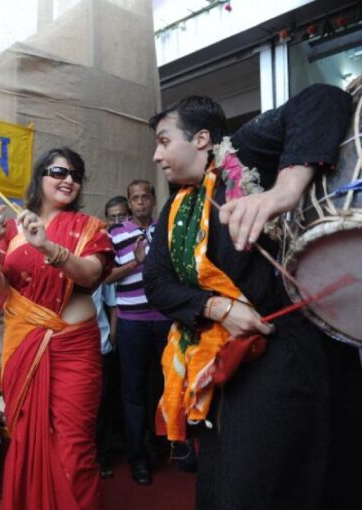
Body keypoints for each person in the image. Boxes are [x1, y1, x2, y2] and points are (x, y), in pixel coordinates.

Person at [144, 84, 360, 509]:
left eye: (164, 141)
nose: (157, 156)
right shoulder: (175, 210)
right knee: (221, 483)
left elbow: (323, 98)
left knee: (265, 486)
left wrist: (283, 192)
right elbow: (157, 281)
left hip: (283, 351)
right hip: (219, 359)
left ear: (202, 140)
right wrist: (216, 307)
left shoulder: (242, 155)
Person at [0, 147, 114, 510]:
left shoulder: (88, 228)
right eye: (58, 171)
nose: (68, 179)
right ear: (40, 178)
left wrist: (48, 247)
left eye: (75, 175)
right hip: (24, 348)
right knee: (26, 439)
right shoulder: (11, 231)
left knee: (75, 445)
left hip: (75, 350)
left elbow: (92, 273)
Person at [103, 180, 179, 485]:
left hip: (163, 320)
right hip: (132, 322)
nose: (140, 203)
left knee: (162, 387)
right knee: (132, 391)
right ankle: (137, 459)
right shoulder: (115, 234)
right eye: (134, 198)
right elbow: (106, 277)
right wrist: (135, 262)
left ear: (152, 200)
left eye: (145, 197)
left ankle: (160, 446)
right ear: (130, 203)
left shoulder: (165, 231)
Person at [93, 195, 128, 479]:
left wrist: (114, 334)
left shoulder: (98, 265)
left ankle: (103, 458)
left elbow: (112, 303)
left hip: (101, 345)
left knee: (103, 404)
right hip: (72, 348)